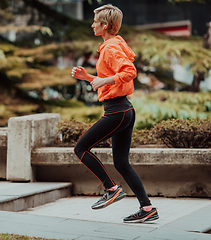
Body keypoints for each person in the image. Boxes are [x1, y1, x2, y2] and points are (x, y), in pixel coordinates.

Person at [71, 4, 159, 223]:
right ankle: (147, 208)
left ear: (105, 26)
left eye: (95, 22)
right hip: (124, 109)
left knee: (81, 148)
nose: (92, 25)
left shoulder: (110, 47)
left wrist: (101, 80)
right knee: (121, 163)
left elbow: (129, 72)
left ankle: (111, 188)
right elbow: (112, 81)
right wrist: (89, 78)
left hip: (117, 111)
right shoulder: (114, 44)